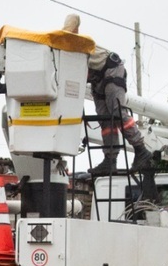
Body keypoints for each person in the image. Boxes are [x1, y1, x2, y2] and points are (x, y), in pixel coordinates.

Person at [62, 14, 153, 175]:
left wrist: (66, 33)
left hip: (111, 69)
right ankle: (110, 160)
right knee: (105, 119)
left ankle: (141, 150)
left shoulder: (75, 43)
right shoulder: (62, 59)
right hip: (98, 79)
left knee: (117, 112)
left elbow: (74, 18)